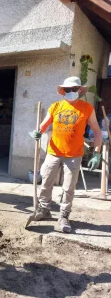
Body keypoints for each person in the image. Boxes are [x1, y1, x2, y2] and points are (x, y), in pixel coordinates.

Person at [29, 76, 102, 233]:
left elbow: (96, 130)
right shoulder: (55, 107)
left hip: (74, 155)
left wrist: (97, 153)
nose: (70, 92)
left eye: (73, 89)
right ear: (63, 91)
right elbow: (44, 124)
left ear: (79, 91)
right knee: (46, 181)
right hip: (53, 152)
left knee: (68, 187)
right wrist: (38, 132)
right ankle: (43, 210)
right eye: (67, 90)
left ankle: (64, 216)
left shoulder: (87, 108)